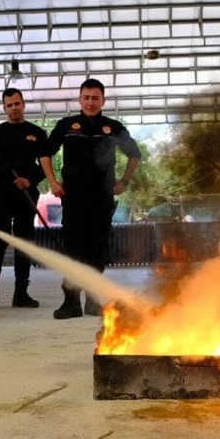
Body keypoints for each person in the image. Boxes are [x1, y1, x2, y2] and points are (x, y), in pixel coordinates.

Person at [40, 78, 141, 319]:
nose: (90, 102)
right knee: (74, 250)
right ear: (80, 99)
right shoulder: (67, 125)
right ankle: (71, 303)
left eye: (95, 98)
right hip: (73, 199)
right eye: (86, 97)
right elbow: (44, 152)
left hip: (102, 199)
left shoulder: (113, 127)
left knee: (97, 250)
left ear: (103, 100)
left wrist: (124, 181)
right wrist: (53, 183)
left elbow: (135, 154)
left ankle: (94, 302)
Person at [0, 87, 48, 311]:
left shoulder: (37, 133)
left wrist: (30, 180)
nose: (14, 108)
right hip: (2, 195)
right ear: (4, 108)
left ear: (23, 104)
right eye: (9, 105)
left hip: (27, 195)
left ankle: (21, 294)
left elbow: (45, 165)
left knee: (24, 243)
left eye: (17, 104)